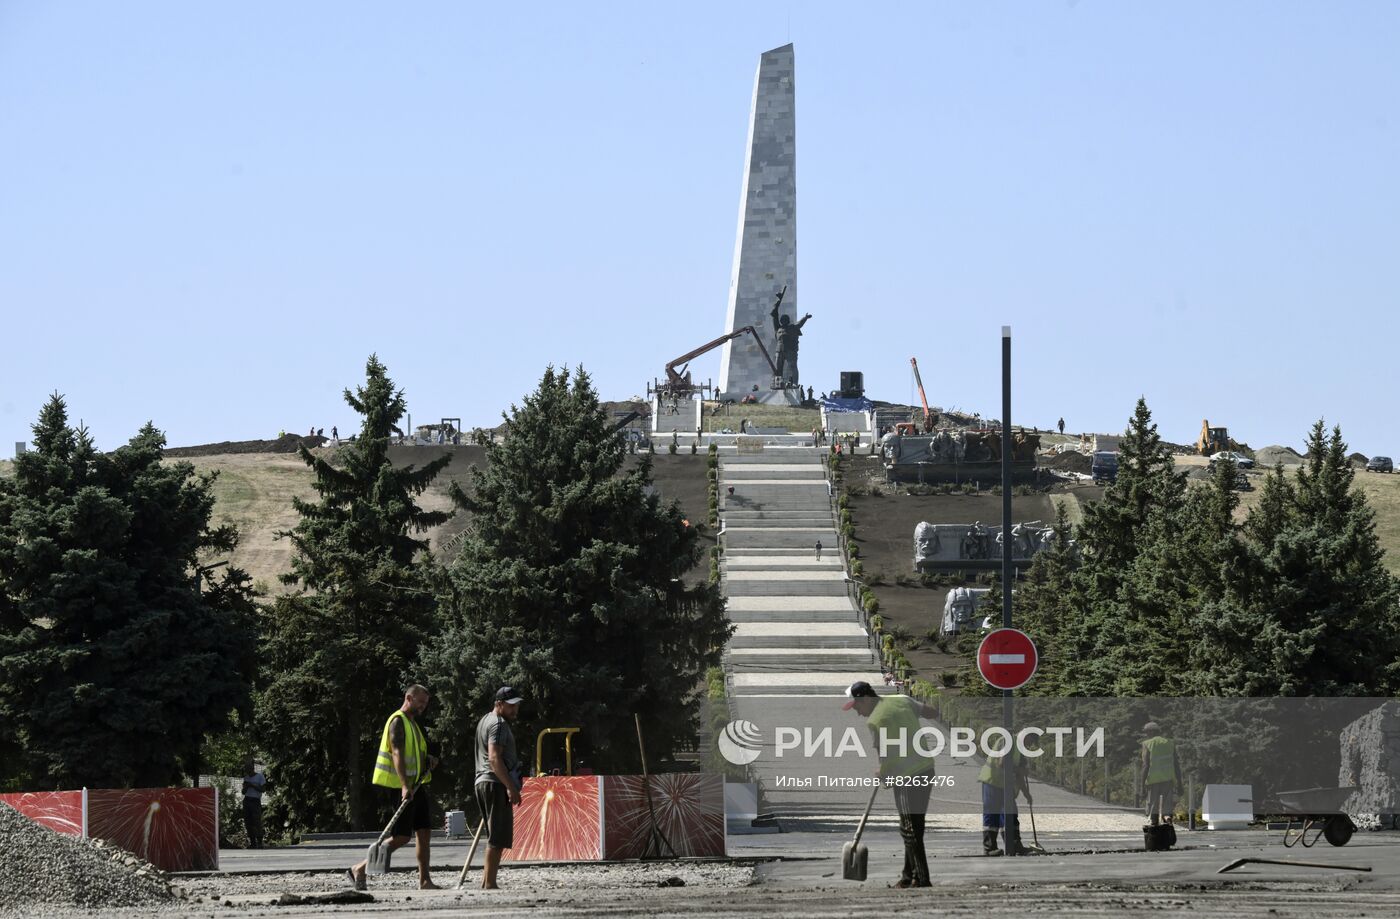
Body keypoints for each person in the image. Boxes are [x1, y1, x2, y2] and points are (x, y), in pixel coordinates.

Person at [844, 681, 938, 889]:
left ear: (866, 699)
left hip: (905, 776)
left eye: (857, 706)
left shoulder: (876, 720)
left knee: (909, 828)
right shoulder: (901, 700)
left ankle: (922, 879)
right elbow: (931, 712)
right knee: (915, 826)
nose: (858, 713)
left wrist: (882, 772)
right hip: (926, 769)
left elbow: (884, 755)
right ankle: (908, 876)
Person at [348, 685, 440, 890]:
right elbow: (397, 753)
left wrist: (429, 759)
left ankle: (425, 880)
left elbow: (414, 754)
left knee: (424, 832)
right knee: (401, 837)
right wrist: (405, 787)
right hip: (401, 787)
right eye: (420, 702)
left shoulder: (413, 724)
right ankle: (360, 868)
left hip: (418, 786)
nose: (423, 707)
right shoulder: (398, 721)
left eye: (425, 703)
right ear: (409, 697)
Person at [476, 686, 524, 890]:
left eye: (517, 705)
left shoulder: (485, 720)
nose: (515, 710)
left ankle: (486, 880)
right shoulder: (498, 724)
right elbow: (495, 758)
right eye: (511, 705)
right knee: (497, 836)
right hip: (495, 782)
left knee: (494, 835)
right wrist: (511, 787)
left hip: (484, 781)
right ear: (499, 704)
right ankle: (490, 883)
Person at [980, 747, 1031, 856]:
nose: (1030, 746)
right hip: (992, 781)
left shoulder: (1019, 752)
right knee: (992, 814)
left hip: (1003, 785)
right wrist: (1019, 770)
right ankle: (989, 848)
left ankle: (1014, 845)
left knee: (1010, 814)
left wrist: (1027, 794)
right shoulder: (1009, 742)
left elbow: (1019, 777)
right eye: (1030, 742)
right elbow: (1002, 763)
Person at [1140, 721, 1182, 826]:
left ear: (1151, 732)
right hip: (1168, 779)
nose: (1146, 734)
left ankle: (1154, 825)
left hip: (1153, 780)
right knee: (1167, 807)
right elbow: (1176, 764)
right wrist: (1180, 783)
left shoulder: (1147, 744)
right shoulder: (1170, 743)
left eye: (1147, 732)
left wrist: (1141, 786)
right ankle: (1167, 820)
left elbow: (1145, 766)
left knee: (1153, 807)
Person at [240, 756, 265, 849]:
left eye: (248, 769)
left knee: (257, 821)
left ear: (252, 768)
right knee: (248, 822)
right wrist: (246, 786)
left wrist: (252, 785)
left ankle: (260, 842)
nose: (247, 771)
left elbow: (262, 789)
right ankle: (252, 842)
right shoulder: (246, 777)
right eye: (246, 769)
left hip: (255, 801)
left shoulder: (259, 776)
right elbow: (243, 792)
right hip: (247, 800)